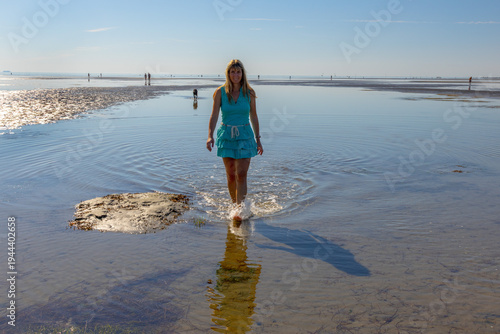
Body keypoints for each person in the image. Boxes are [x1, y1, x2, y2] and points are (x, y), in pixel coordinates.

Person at [206, 59, 263, 221]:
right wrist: (210, 135)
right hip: (226, 135)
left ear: (242, 74)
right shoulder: (220, 92)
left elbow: (254, 116)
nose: (235, 75)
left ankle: (241, 210)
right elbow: (214, 114)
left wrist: (258, 139)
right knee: (231, 174)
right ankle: (234, 206)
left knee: (241, 174)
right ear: (228, 74)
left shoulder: (249, 92)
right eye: (232, 72)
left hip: (245, 135)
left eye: (238, 72)